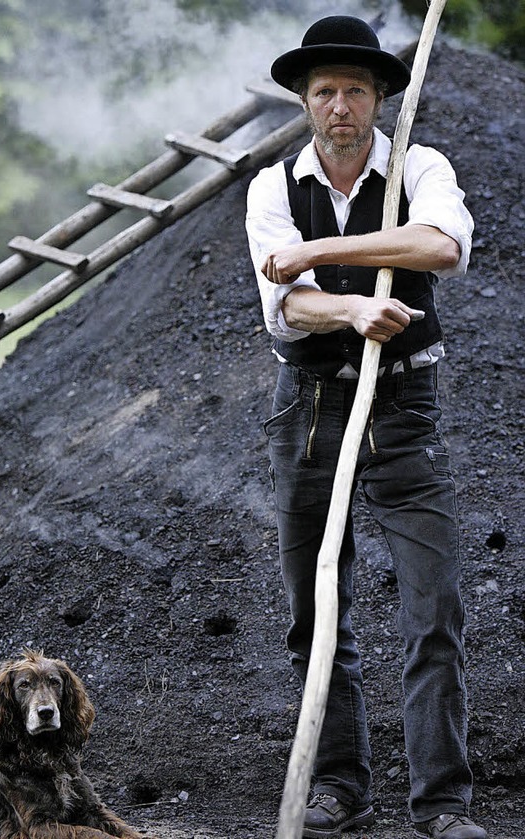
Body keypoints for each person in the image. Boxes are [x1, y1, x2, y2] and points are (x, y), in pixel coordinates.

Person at [245, 15, 487, 839]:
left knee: (433, 605)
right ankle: (341, 786)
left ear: (379, 97)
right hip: (310, 409)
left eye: (354, 89)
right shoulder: (272, 188)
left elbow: (442, 244)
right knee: (316, 608)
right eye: (324, 92)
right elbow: (285, 310)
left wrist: (317, 255)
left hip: (405, 411)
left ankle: (442, 804)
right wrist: (350, 302)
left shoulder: (418, 163)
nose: (339, 105)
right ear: (305, 103)